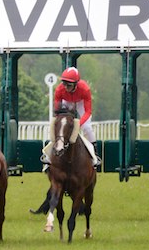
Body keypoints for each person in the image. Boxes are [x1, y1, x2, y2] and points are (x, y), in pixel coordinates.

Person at [30, 66, 99, 214]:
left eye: (69, 84)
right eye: (64, 83)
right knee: (58, 128)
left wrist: (78, 124)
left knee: (87, 128)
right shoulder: (60, 90)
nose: (65, 86)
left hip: (80, 104)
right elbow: (57, 111)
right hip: (67, 104)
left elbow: (87, 111)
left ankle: (95, 157)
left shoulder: (85, 89)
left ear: (76, 83)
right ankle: (49, 156)